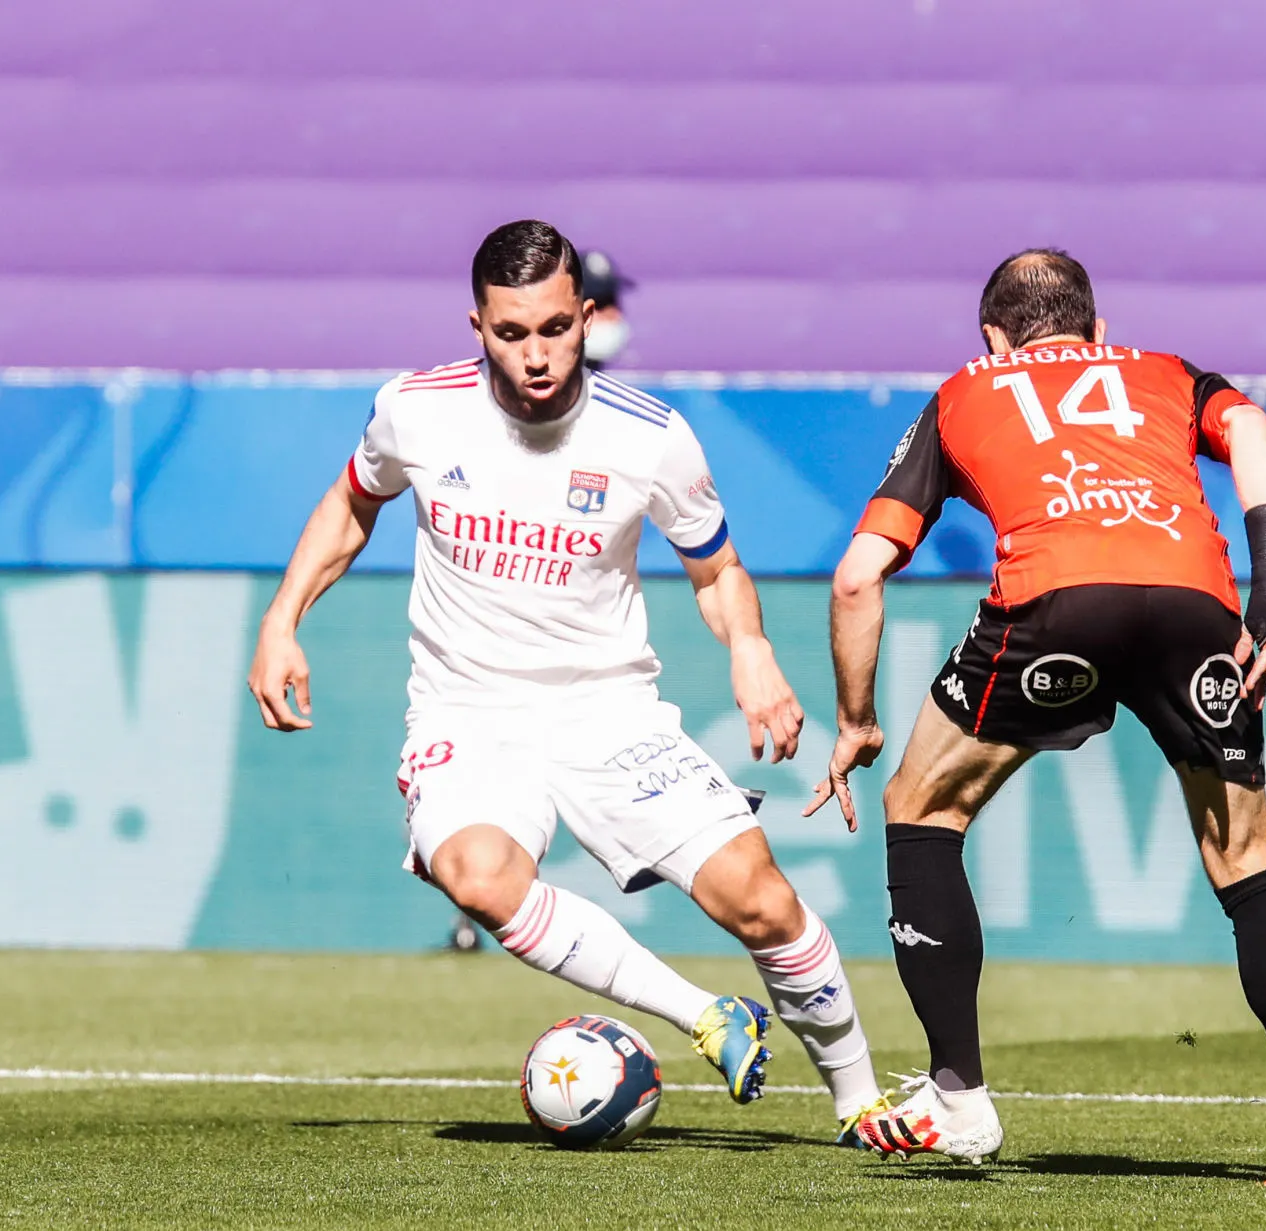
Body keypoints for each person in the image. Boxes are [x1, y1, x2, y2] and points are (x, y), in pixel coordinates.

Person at [249, 219, 883, 1135]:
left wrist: (749, 649)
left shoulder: (650, 437)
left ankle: (860, 1101)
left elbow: (717, 567)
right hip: (468, 710)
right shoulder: (417, 410)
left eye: (554, 328)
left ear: (586, 317)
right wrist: (281, 619)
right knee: (475, 875)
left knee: (757, 897)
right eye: (511, 334)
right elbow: (354, 500)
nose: (536, 354)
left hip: (607, 709)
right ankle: (704, 1013)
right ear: (476, 327)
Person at [805, 249, 1266, 1188]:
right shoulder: (1167, 373)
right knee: (1247, 861)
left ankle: (959, 1095)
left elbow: (857, 574)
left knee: (921, 809)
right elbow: (1252, 426)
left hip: (1055, 604)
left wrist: (854, 719)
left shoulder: (964, 390)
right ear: (1097, 330)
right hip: (1193, 602)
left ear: (992, 336)